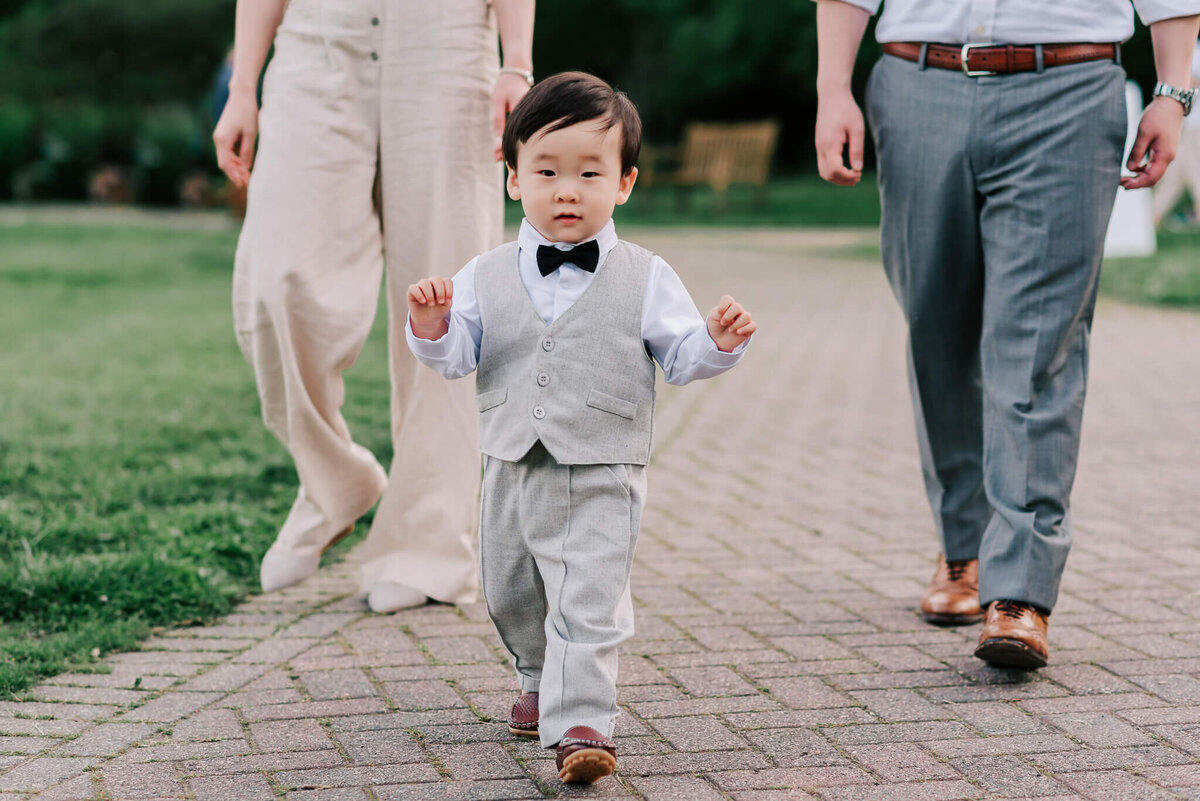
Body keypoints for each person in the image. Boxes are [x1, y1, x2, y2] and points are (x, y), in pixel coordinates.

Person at [815, 0, 1200, 668]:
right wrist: (832, 89)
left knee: (1036, 346)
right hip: (916, 84)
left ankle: (1020, 589)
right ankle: (962, 547)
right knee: (938, 333)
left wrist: (1173, 91)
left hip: (1070, 92)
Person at [405, 72, 756, 783]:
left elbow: (682, 356)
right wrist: (431, 325)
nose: (568, 189)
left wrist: (716, 341)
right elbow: (456, 357)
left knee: (587, 595)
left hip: (603, 466)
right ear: (512, 180)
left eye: (589, 173)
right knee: (511, 587)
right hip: (510, 461)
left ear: (624, 183)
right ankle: (537, 676)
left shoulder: (646, 275)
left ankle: (584, 720)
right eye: (547, 171)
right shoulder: (484, 273)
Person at [212, 0, 535, 612]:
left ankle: (428, 543)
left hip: (447, 50)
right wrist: (243, 86)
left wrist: (515, 63)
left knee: (447, 298)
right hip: (316, 48)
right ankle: (335, 481)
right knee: (278, 277)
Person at [1154, 36, 1200, 226]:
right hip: (1190, 124)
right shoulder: (1192, 50)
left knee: (1192, 172)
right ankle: (1150, 217)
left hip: (1193, 125)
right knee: (1176, 175)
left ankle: (1150, 217)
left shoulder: (1194, 52)